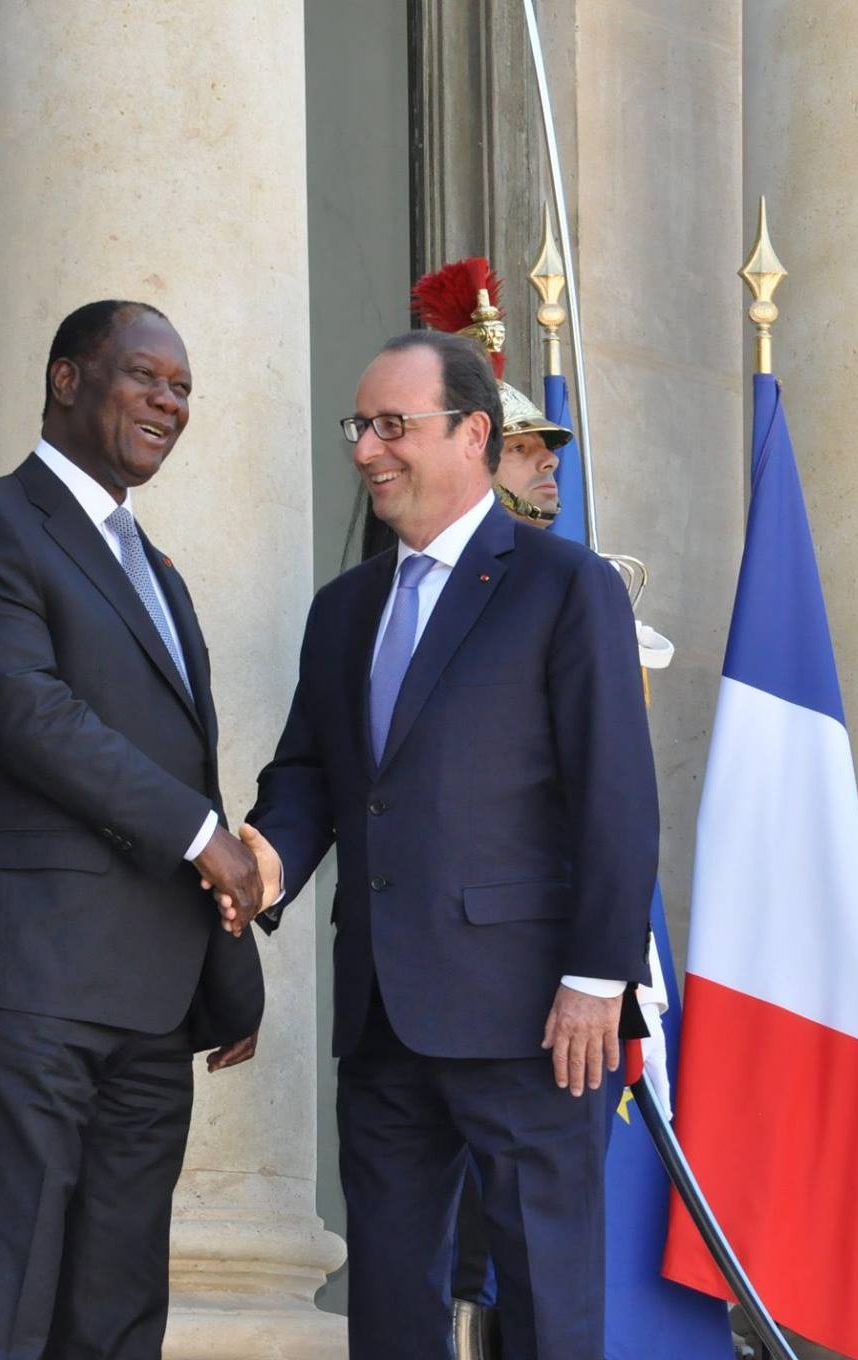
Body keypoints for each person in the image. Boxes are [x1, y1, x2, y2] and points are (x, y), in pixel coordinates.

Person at [224, 330, 659, 1359]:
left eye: (392, 426)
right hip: (380, 1015)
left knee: (547, 1299)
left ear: (471, 434)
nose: (368, 449)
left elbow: (616, 794)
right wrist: (266, 862)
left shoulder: (563, 586)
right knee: (388, 1300)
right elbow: (309, 776)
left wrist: (596, 977)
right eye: (358, 427)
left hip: (533, 1016)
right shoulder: (341, 611)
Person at [0, 300, 265, 1360]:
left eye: (183, 388)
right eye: (145, 376)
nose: (168, 402)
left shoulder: (160, 574)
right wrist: (206, 840)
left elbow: (185, 764)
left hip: (147, 1007)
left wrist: (227, 976)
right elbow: (30, 713)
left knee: (112, 1316)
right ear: (66, 379)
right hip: (19, 984)